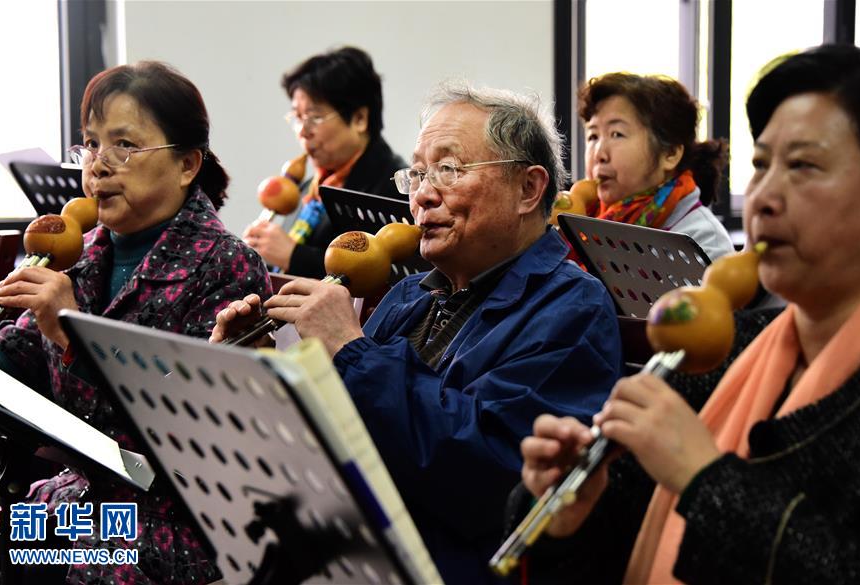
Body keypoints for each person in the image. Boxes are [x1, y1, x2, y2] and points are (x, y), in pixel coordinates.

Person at [212, 82, 623, 583]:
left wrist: (350, 348)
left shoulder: (571, 308)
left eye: (449, 170)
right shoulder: (411, 295)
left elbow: (489, 479)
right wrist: (259, 368)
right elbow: (332, 438)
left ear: (528, 189)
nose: (423, 195)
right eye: (420, 174)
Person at [516, 44, 860, 584]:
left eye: (802, 165)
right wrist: (573, 518)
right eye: (760, 166)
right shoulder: (716, 349)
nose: (762, 198)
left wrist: (704, 479)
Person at [0, 61, 271, 583]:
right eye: (90, 145)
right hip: (80, 504)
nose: (99, 165)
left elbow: (180, 446)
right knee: (0, 547)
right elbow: (17, 369)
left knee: (53, 566)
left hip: (171, 519)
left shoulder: (227, 264)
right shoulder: (85, 250)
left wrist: (71, 331)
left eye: (124, 146)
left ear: (187, 165)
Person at [243, 46, 407, 278]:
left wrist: (295, 256)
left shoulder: (394, 188)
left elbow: (384, 277)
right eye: (298, 117)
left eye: (315, 117)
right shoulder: (308, 189)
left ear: (360, 119)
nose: (302, 131)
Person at [578, 72, 734, 261]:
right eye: (593, 136)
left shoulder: (704, 241)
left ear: (670, 154)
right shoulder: (583, 221)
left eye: (617, 134)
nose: (599, 154)